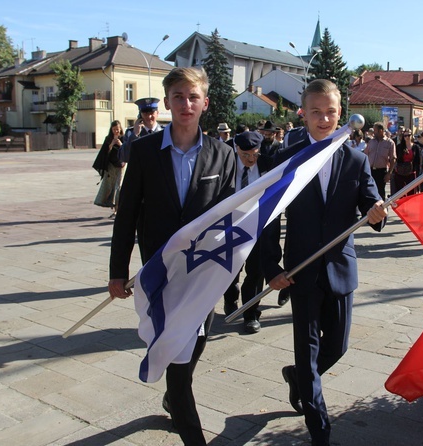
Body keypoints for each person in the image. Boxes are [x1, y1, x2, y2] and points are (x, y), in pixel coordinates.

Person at [108, 67, 235, 446]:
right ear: (166, 102)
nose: (186, 104)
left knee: (193, 349)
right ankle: (189, 426)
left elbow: (231, 218)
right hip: (161, 275)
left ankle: (174, 397)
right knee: (179, 368)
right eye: (178, 96)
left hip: (202, 275)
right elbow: (127, 213)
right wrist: (118, 272)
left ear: (205, 103)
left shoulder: (222, 154)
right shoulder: (145, 152)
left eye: (193, 97)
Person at [261, 79, 387, 446]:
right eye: (316, 112)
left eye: (331, 111)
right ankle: (320, 431)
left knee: (337, 347)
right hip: (300, 272)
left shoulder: (356, 159)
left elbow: (370, 203)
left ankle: (297, 377)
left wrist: (378, 212)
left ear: (340, 113)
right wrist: (271, 268)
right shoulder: (287, 160)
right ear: (303, 113)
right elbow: (268, 221)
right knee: (309, 351)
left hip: (341, 268)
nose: (324, 118)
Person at [222, 131, 272, 333]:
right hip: (230, 226)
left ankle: (251, 314)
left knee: (255, 272)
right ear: (237, 150)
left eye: (255, 155)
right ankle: (230, 301)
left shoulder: (269, 164)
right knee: (230, 271)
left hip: (257, 227)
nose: (251, 159)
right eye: (246, 155)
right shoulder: (226, 165)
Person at [93, 120, 125, 217]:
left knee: (118, 186)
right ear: (111, 130)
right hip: (111, 165)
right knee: (110, 186)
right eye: (114, 129)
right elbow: (104, 153)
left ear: (120, 129)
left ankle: (117, 210)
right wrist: (111, 145)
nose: (116, 131)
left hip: (121, 165)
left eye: (118, 130)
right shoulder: (108, 138)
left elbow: (128, 150)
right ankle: (113, 208)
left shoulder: (124, 138)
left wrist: (120, 144)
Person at [119, 97, 164, 162]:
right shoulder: (131, 133)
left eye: (152, 113)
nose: (149, 116)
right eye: (145, 113)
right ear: (140, 115)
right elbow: (124, 157)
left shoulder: (165, 132)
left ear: (157, 113)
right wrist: (135, 135)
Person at [364, 121, 396, 199]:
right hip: (370, 171)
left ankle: (382, 209)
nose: (373, 132)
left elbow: (393, 159)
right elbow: (365, 155)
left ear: (381, 131)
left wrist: (389, 173)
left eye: (375, 130)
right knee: (369, 192)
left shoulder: (389, 143)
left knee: (380, 192)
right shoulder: (371, 142)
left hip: (381, 172)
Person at [391, 129, 420, 195]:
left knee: (411, 193)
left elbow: (418, 162)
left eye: (408, 135)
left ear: (412, 136)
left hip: (411, 173)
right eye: (405, 135)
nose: (407, 137)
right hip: (400, 172)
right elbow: (396, 158)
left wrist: (417, 173)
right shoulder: (399, 147)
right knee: (400, 193)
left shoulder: (416, 147)